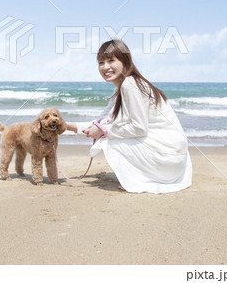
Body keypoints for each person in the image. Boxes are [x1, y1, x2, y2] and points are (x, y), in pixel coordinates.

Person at [66, 39, 192, 194]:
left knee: (109, 140)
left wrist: (104, 131)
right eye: (101, 62)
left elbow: (139, 129)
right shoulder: (121, 88)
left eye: (111, 61)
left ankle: (139, 179)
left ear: (125, 61)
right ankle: (143, 174)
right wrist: (66, 126)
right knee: (111, 133)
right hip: (174, 161)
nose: (105, 67)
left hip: (169, 160)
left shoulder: (130, 85)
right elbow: (100, 122)